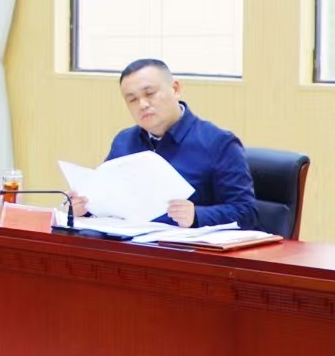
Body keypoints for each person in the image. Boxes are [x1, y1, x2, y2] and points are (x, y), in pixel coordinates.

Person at [69, 58, 257, 229]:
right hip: (130, 245)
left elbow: (246, 212)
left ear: (175, 89)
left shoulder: (219, 143)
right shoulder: (124, 142)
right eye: (132, 99)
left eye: (150, 94)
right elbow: (106, 201)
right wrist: (84, 207)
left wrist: (196, 215)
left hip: (186, 250)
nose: (142, 104)